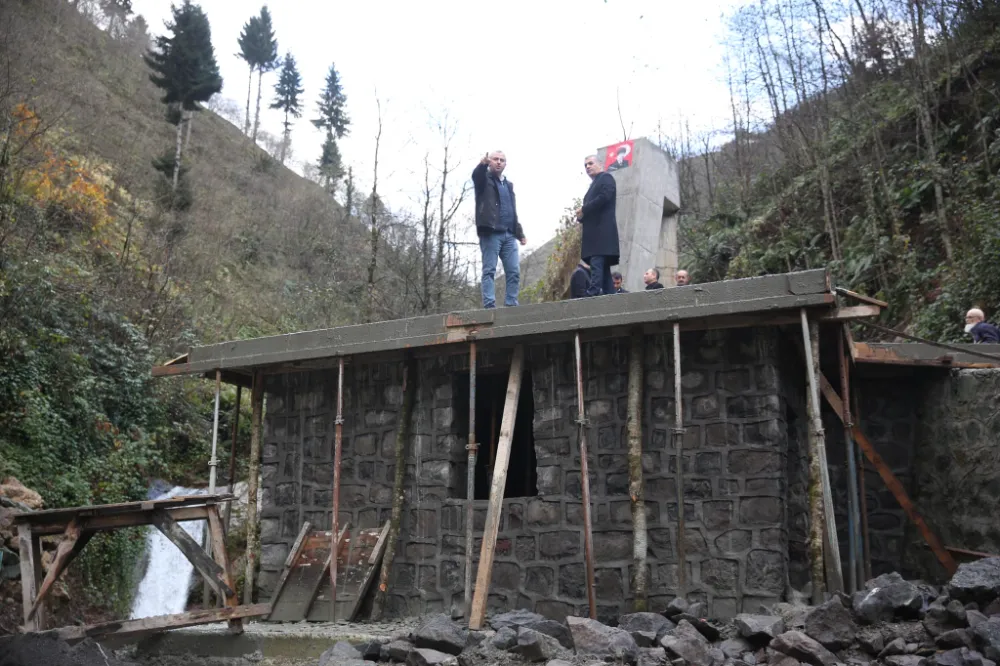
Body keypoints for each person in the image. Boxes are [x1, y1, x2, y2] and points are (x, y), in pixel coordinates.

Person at [472, 151, 527, 309]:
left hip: (509, 234)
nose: (498, 162)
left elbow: (511, 210)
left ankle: (511, 304)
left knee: (514, 271)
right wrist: (482, 165)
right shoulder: (484, 179)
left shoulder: (508, 185)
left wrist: (519, 233)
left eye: (502, 160)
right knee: (489, 270)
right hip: (491, 232)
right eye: (495, 159)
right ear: (490, 162)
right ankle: (489, 305)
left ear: (505, 164)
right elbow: (476, 176)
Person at [575, 155, 621, 297]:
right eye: (585, 165)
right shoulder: (593, 185)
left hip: (602, 231)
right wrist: (582, 217)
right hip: (595, 231)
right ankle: (610, 293)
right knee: (603, 266)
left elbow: (604, 197)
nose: (587, 167)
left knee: (597, 260)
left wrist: (584, 209)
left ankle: (594, 290)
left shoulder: (606, 178)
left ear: (600, 164)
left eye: (590, 163)